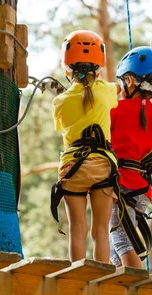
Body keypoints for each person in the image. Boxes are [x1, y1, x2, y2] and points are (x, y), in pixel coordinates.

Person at [50, 30, 120, 263]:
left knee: (77, 229)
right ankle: (102, 274)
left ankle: (76, 275)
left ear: (67, 69)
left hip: (73, 167)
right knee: (101, 231)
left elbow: (62, 127)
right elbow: (117, 92)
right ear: (98, 69)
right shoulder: (107, 91)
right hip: (102, 164)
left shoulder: (59, 101)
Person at [109, 46, 152, 268]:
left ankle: (137, 283)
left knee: (121, 240)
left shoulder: (118, 109)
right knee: (119, 244)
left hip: (124, 184)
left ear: (130, 81)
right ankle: (121, 285)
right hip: (143, 190)